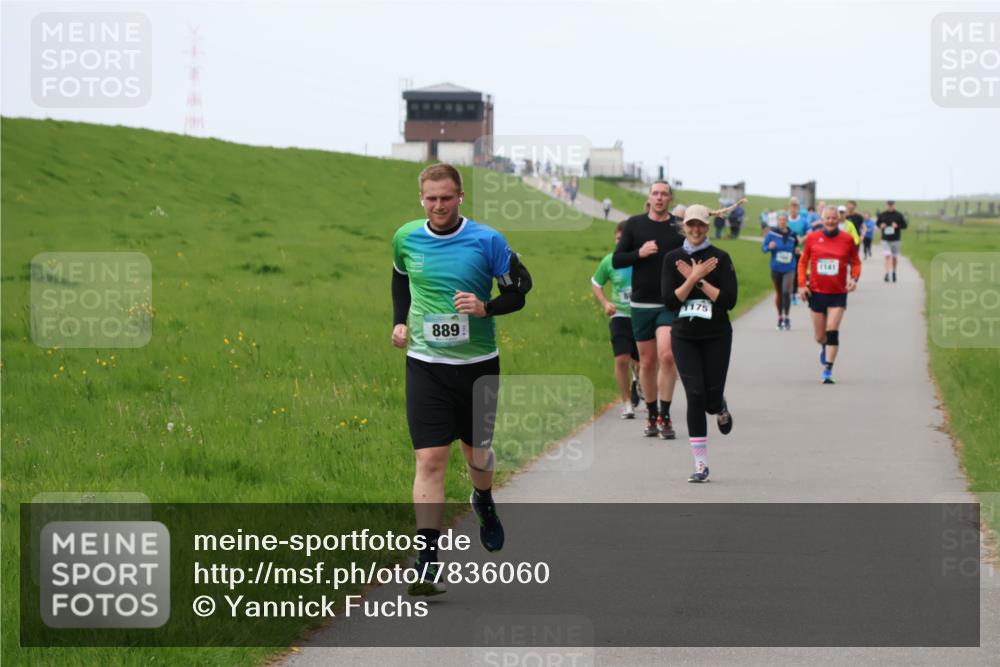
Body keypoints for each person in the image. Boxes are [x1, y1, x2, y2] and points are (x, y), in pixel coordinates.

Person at [392, 163, 532, 595]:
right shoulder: (406, 238)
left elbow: (519, 291)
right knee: (430, 460)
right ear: (421, 198)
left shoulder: (487, 240)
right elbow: (400, 278)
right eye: (431, 198)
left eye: (446, 198)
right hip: (425, 364)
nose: (438, 206)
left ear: (460, 197)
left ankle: (483, 499)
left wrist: (486, 307)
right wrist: (399, 321)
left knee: (477, 455)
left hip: (477, 366)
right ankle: (428, 562)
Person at [661, 203, 739, 483]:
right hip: (684, 336)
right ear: (684, 227)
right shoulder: (672, 258)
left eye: (700, 225)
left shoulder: (721, 258)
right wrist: (693, 277)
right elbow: (670, 302)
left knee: (710, 400)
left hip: (717, 335)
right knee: (694, 395)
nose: (695, 229)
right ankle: (701, 464)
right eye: (691, 224)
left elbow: (729, 301)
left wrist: (700, 281)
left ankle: (719, 405)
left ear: (707, 227)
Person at [613, 180, 686, 439]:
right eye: (655, 193)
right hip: (641, 303)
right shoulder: (634, 224)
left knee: (667, 356)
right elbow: (617, 259)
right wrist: (639, 253)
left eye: (664, 194)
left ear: (670, 198)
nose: (659, 198)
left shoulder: (678, 228)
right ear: (649, 197)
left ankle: (665, 415)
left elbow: (692, 254)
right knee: (647, 362)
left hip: (668, 303)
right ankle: (652, 414)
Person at [797, 205, 861, 384]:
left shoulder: (847, 239)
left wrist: (854, 278)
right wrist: (802, 285)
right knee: (820, 336)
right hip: (816, 292)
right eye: (828, 218)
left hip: (838, 293)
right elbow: (802, 263)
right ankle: (824, 346)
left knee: (832, 328)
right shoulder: (812, 238)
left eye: (834, 218)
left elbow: (856, 262)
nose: (831, 221)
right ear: (822, 219)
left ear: (839, 219)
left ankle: (828, 370)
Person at [592, 221, 641, 418]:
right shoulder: (609, 261)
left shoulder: (641, 259)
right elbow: (596, 283)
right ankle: (627, 403)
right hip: (619, 315)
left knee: (643, 363)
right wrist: (605, 303)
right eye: (618, 239)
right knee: (621, 358)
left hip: (641, 315)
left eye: (625, 239)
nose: (621, 243)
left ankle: (639, 380)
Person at [762, 211, 798, 330]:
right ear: (777, 221)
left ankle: (787, 317)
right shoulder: (772, 234)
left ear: (787, 221)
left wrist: (797, 251)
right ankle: (780, 317)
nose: (782, 222)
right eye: (780, 220)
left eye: (784, 219)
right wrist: (769, 247)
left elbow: (796, 248)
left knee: (786, 291)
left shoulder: (793, 235)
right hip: (776, 268)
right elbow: (764, 248)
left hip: (789, 268)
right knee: (779, 293)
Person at [877, 200, 907, 282]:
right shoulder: (882, 215)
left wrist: (897, 226)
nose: (890, 206)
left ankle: (894, 272)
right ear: (886, 205)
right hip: (885, 239)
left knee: (894, 257)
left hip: (896, 239)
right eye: (889, 205)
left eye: (892, 205)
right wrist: (881, 225)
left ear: (894, 205)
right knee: (887, 255)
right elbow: (877, 224)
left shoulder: (899, 215)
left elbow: (905, 225)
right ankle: (887, 273)